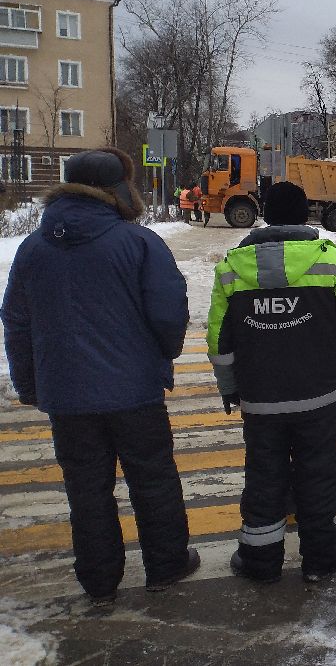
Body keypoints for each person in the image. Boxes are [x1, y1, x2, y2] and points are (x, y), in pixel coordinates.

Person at [1, 148, 200, 605]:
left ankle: (98, 579)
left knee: (86, 488)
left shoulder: (34, 248)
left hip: (67, 397)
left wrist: (30, 383)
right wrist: (160, 357)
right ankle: (166, 565)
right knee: (152, 479)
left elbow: (17, 319)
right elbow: (169, 313)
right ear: (117, 190)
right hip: (135, 393)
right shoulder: (139, 243)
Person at [207, 181, 336, 583]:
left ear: (265, 213)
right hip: (318, 396)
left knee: (264, 474)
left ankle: (260, 563)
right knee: (318, 471)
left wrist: (230, 387)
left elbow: (218, 342)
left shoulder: (231, 268)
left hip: (260, 400)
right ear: (304, 215)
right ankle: (322, 557)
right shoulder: (329, 261)